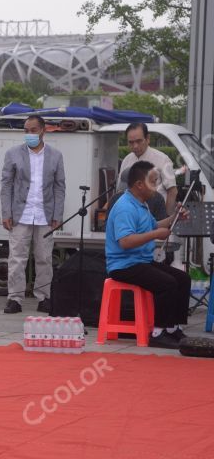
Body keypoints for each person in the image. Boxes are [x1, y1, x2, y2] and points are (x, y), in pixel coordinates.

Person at [105, 161, 190, 349]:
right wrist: (155, 235)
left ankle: (172, 328)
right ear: (139, 185)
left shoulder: (141, 204)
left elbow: (155, 226)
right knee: (167, 284)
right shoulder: (125, 207)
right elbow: (125, 242)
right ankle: (158, 333)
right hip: (124, 265)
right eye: (153, 181)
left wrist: (175, 217)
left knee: (183, 279)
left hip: (140, 262)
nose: (157, 186)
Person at [0, 115, 65, 314]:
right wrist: (6, 212)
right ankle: (15, 299)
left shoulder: (55, 155)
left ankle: (44, 297)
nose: (29, 134)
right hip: (21, 213)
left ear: (43, 130)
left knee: (44, 257)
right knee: (17, 258)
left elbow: (59, 187)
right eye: (26, 130)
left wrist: (58, 214)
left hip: (45, 213)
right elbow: (6, 184)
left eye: (33, 130)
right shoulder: (13, 154)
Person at [119, 123, 178, 215]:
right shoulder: (126, 160)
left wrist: (166, 218)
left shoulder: (163, 159)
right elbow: (121, 190)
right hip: (130, 215)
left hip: (155, 213)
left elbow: (172, 191)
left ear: (147, 139)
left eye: (139, 141)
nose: (135, 146)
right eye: (131, 142)